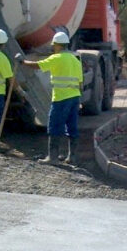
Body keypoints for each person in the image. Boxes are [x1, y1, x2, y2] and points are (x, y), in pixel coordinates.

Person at [20, 31, 83, 164]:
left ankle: (52, 157)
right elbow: (80, 83)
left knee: (54, 126)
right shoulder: (75, 59)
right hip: (74, 98)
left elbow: (38, 65)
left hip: (61, 98)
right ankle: (72, 157)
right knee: (72, 126)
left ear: (58, 45)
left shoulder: (56, 58)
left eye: (54, 45)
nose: (53, 47)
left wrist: (22, 62)